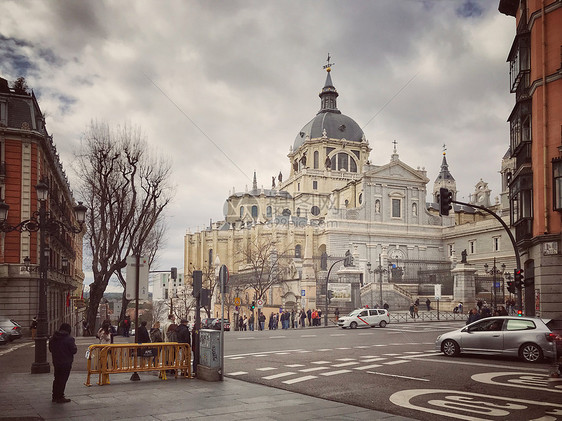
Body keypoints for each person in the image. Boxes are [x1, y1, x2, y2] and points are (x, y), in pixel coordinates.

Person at [48, 323, 77, 404]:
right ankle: (60, 396)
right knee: (63, 380)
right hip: (66, 362)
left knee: (56, 378)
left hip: (56, 361)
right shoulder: (69, 339)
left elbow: (50, 349)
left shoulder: (53, 338)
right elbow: (74, 350)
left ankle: (55, 396)